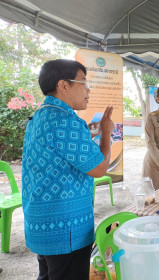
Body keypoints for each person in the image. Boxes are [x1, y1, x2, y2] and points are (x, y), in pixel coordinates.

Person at [22, 59, 114, 280]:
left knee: (48, 275)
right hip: (66, 228)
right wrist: (107, 134)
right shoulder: (65, 121)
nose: (88, 89)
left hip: (42, 222)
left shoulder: (40, 116)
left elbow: (56, 153)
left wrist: (88, 135)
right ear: (64, 86)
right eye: (83, 82)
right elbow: (100, 168)